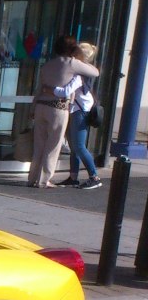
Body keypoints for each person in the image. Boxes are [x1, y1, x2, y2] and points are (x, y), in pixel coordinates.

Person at [27, 34, 99, 189]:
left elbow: (39, 88)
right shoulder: (72, 64)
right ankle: (44, 179)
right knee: (53, 145)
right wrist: (81, 59)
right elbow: (95, 72)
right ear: (72, 48)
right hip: (58, 108)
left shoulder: (46, 65)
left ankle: (32, 177)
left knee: (39, 144)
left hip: (41, 105)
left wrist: (33, 107)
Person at [55, 41, 102, 190]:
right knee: (75, 147)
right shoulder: (83, 72)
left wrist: (49, 89)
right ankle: (73, 177)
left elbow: (65, 91)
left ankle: (94, 177)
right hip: (77, 110)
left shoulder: (79, 75)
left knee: (79, 146)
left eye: (74, 52)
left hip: (80, 112)